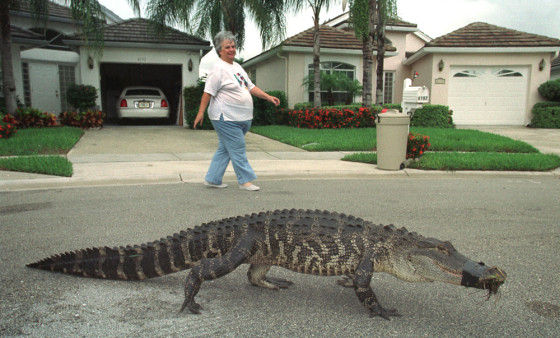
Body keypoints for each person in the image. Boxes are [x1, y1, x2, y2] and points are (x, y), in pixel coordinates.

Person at [194, 31, 280, 191]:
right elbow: (208, 92)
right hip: (225, 117)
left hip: (242, 118)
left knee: (225, 149)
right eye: (227, 47)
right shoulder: (217, 69)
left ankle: (212, 179)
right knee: (238, 148)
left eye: (233, 46)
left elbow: (250, 87)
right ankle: (245, 181)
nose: (231, 49)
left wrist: (268, 97)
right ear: (220, 50)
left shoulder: (237, 67)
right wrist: (200, 113)